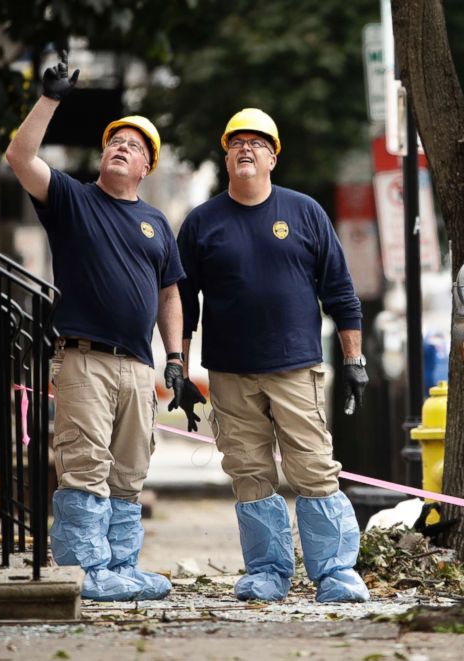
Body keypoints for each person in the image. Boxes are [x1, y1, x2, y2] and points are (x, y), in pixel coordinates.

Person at [5, 50, 186, 601]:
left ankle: (122, 568)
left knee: (129, 474)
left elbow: (170, 293)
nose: (119, 147)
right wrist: (49, 98)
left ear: (145, 167)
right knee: (85, 467)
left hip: (138, 367)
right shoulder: (71, 200)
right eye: (114, 141)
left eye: (132, 145)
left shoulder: (156, 223)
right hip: (84, 360)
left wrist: (175, 359)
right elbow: (19, 155)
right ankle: (85, 570)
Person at [175, 108, 370, 603]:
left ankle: (335, 572)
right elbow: (181, 303)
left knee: (313, 467)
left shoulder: (305, 212)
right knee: (249, 471)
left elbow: (342, 294)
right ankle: (266, 571)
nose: (245, 148)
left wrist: (354, 361)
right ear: (225, 157)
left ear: (273, 157)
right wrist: (178, 364)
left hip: (294, 367)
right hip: (231, 373)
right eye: (236, 142)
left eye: (257, 143)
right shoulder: (201, 223)